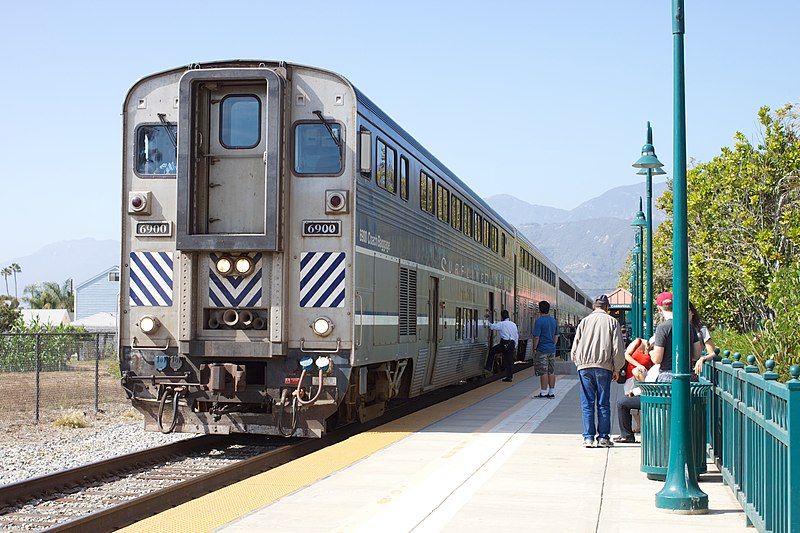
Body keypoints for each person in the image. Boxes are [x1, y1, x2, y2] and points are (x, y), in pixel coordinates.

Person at [570, 294, 625, 448]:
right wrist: (617, 368)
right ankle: (603, 438)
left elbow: (574, 348)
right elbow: (618, 348)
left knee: (587, 402)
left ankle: (588, 437)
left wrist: (579, 363)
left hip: (584, 367)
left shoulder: (584, 322)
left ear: (594, 306)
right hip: (604, 367)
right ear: (607, 307)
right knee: (603, 403)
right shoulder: (612, 322)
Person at [650, 292, 702, 382]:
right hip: (688, 375)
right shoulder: (689, 327)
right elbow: (696, 355)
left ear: (659, 309)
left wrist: (651, 353)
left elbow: (657, 359)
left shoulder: (662, 328)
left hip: (667, 376)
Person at [613, 337, 654, 443]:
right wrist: (638, 365)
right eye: (650, 348)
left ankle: (634, 429)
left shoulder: (654, 353)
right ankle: (635, 427)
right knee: (628, 399)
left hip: (641, 378)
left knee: (628, 401)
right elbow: (627, 355)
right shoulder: (638, 341)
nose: (650, 350)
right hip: (631, 376)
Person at [531, 300, 559, 398]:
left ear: (540, 310)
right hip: (551, 349)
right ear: (548, 310)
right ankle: (551, 392)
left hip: (542, 349)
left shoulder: (539, 321)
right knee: (551, 371)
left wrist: (534, 348)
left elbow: (536, 337)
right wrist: (553, 345)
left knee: (543, 371)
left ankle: (543, 392)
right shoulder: (554, 321)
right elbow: (556, 336)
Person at [485, 309, 519, 382]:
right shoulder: (513, 324)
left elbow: (491, 327)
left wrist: (486, 320)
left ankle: (488, 367)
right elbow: (516, 336)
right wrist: (515, 345)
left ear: (502, 317)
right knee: (509, 361)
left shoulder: (502, 324)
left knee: (492, 350)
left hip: (504, 343)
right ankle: (509, 377)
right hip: (512, 343)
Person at [689, 301, 717, 375]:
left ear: (692, 312)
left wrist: (703, 358)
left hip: (695, 369)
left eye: (687, 311)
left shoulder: (701, 330)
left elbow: (713, 353)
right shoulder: (673, 328)